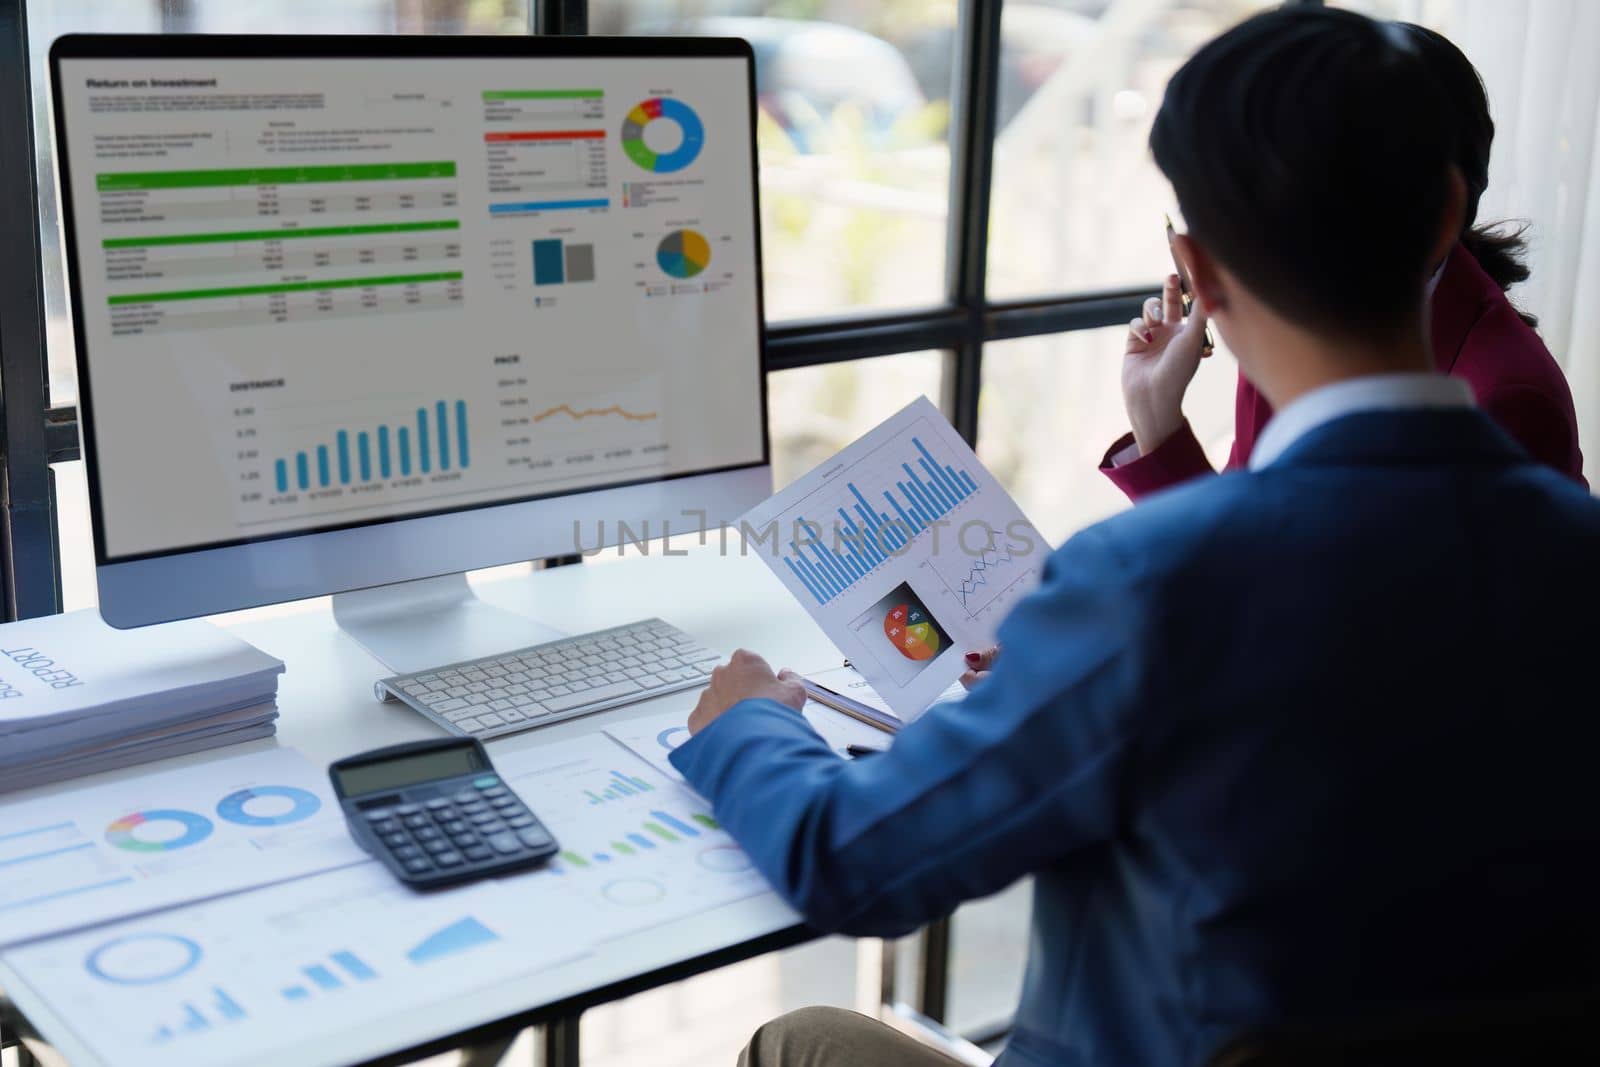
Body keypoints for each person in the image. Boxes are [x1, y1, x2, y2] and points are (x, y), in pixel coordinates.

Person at [671, 9, 1600, 1066]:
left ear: (1194, 266)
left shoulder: (1141, 585)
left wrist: (746, 724)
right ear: (1448, 212)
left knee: (801, 1041)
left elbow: (847, 860)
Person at [1099, 22, 1586, 501]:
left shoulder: (1508, 399)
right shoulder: (1290, 310)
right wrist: (1155, 418)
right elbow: (1254, 529)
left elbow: (1265, 567)